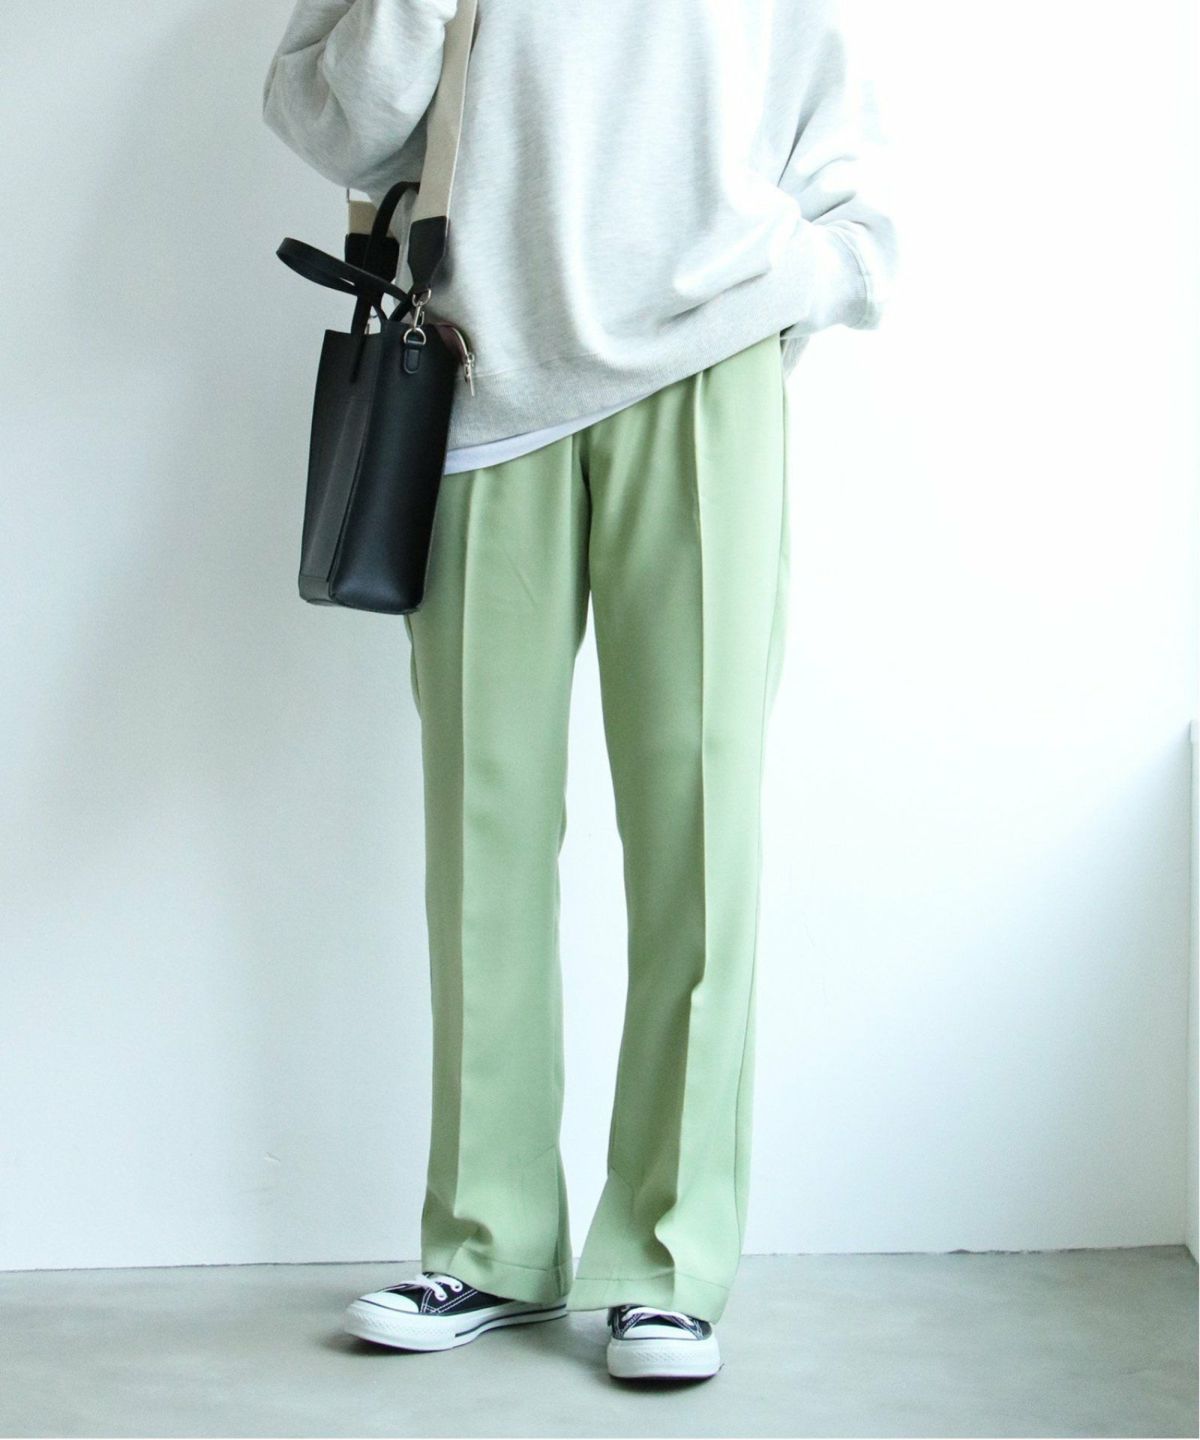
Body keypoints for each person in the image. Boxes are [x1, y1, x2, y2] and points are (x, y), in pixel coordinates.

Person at [262, 0, 897, 1383]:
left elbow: (830, 129)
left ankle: (668, 1259)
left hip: (706, 365)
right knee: (481, 839)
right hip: (477, 385)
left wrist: (808, 271)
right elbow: (330, 122)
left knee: (699, 831)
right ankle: (490, 1240)